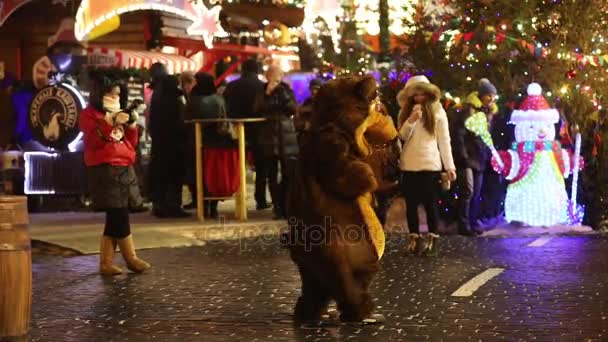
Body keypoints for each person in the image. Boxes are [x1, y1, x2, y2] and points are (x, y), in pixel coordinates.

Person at [79, 76, 151, 275]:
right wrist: (110, 122)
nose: (114, 97)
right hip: (104, 168)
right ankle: (131, 258)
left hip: (124, 166)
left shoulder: (118, 112)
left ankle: (106, 262)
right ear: (99, 94)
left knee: (116, 214)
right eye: (110, 93)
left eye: (117, 93)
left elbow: (130, 142)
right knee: (119, 213)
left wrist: (132, 126)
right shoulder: (89, 115)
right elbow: (94, 140)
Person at [396, 75, 456, 256]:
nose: (419, 97)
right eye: (416, 94)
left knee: (431, 204)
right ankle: (413, 239)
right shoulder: (405, 112)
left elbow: (444, 141)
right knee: (411, 205)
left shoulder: (437, 111)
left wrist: (450, 166)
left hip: (430, 164)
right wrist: (411, 120)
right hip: (409, 164)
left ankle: (432, 240)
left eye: (423, 93)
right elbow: (401, 137)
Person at [450, 78, 498, 236]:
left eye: (493, 96)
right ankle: (463, 224)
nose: (491, 99)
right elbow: (459, 134)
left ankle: (472, 222)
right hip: (468, 157)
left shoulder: (488, 112)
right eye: (489, 95)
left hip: (480, 157)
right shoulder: (469, 110)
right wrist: (462, 154)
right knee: (468, 191)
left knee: (476, 192)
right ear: (482, 95)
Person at [185, 72, 236, 218]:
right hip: (217, 141)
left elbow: (186, 118)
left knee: (199, 175)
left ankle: (202, 206)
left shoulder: (193, 99)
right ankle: (213, 207)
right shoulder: (218, 99)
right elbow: (224, 118)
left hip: (196, 141)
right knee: (213, 175)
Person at [255, 65, 299, 219]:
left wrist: (281, 93)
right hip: (269, 137)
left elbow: (293, 109)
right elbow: (257, 109)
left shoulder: (286, 89)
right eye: (271, 74)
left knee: (288, 173)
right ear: (267, 76)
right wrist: (267, 94)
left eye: (277, 74)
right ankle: (278, 208)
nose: (274, 77)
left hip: (286, 136)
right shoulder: (261, 91)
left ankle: (287, 206)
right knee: (271, 174)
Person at [223, 59, 267, 209]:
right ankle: (260, 199)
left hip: (236, 130)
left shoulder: (232, 86)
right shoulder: (262, 87)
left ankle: (238, 195)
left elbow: (226, 108)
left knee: (238, 163)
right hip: (259, 130)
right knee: (261, 167)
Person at [148, 64, 190, 218]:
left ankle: (159, 205)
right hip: (175, 142)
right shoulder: (175, 97)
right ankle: (173, 206)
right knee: (174, 175)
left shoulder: (156, 95)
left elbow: (152, 120)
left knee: (160, 174)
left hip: (159, 142)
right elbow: (181, 120)